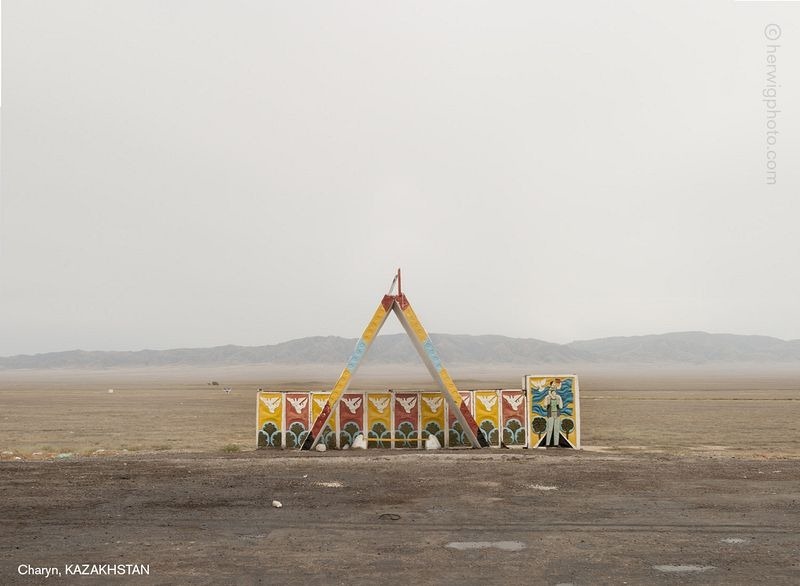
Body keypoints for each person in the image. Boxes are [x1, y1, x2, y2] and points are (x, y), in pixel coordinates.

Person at [543, 379, 563, 447]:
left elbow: (561, 406)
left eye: (554, 391)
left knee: (557, 429)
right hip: (550, 414)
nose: (554, 392)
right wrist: (549, 400)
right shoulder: (547, 398)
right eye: (552, 391)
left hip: (557, 414)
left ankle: (556, 443)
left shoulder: (558, 398)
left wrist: (557, 402)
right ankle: (547, 443)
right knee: (549, 429)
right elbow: (545, 405)